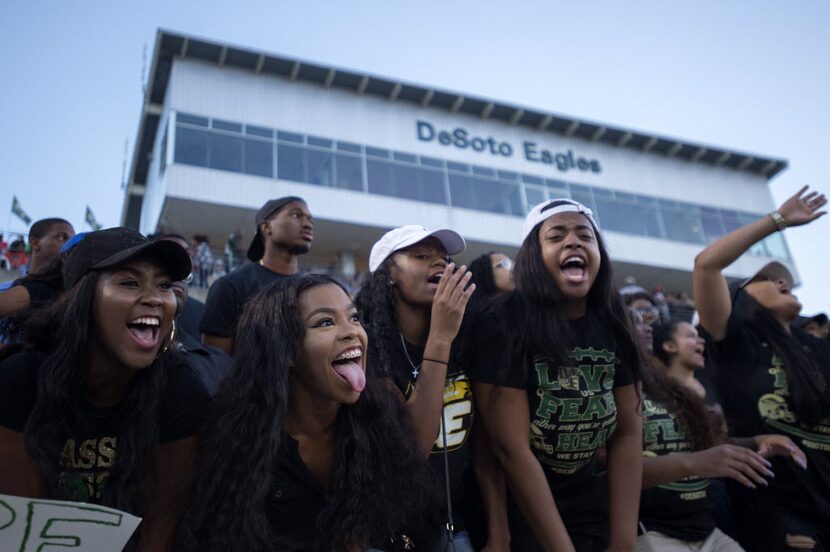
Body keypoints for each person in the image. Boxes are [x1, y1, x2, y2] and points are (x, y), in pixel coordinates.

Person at [177, 274, 431, 551]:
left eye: (354, 318)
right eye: (325, 322)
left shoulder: (376, 422)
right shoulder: (235, 438)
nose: (352, 332)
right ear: (285, 350)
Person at [0, 227, 210, 552]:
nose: (155, 298)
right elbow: (19, 531)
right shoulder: (20, 380)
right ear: (82, 298)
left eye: (164, 285)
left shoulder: (181, 388)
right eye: (129, 282)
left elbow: (158, 533)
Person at [471, 198, 643, 551]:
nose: (574, 242)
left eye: (585, 235)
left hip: (588, 502)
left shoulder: (614, 321)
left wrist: (623, 540)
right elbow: (509, 449)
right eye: (556, 236)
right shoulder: (502, 321)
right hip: (518, 508)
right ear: (533, 255)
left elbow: (627, 433)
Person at [694, 185, 830, 550]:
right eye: (768, 279)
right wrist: (779, 220)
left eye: (783, 278)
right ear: (741, 300)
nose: (782, 281)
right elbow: (707, 264)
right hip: (778, 517)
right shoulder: (735, 340)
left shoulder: (818, 349)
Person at [633, 313, 805, 551]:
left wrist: (757, 441)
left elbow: (712, 443)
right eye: (691, 336)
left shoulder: (704, 387)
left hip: (707, 517)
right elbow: (612, 466)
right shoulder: (635, 387)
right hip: (652, 525)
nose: (700, 341)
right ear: (669, 346)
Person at [355, 225, 475, 550]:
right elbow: (415, 446)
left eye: (444, 258)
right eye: (422, 256)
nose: (440, 264)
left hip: (452, 523)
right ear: (389, 274)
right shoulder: (367, 346)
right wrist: (440, 339)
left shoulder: (467, 337)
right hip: (386, 534)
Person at [200, 196, 313, 353]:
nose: (308, 224)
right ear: (266, 227)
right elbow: (214, 365)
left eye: (310, 219)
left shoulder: (314, 289)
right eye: (296, 215)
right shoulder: (232, 286)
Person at [0, 218, 75, 317]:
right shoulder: (5, 290)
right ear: (35, 243)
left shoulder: (71, 294)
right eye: (61, 238)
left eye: (72, 240)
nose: (70, 245)